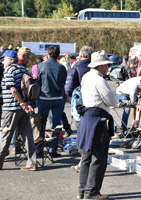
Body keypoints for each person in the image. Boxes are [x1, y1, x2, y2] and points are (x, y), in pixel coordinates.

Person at [0, 50, 37, 171]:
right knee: (27, 135)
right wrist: (25, 104)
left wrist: (21, 103)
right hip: (23, 107)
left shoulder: (9, 70)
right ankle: (32, 163)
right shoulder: (23, 69)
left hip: (11, 108)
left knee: (5, 134)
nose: (2, 62)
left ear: (10, 60)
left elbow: (13, 90)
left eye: (4, 59)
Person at [76, 50, 117, 200]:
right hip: (97, 121)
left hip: (87, 118)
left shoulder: (87, 76)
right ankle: (92, 193)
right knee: (98, 158)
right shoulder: (99, 80)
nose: (108, 68)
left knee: (86, 157)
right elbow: (112, 101)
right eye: (107, 65)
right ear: (101, 66)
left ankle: (82, 190)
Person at [37, 46, 67, 157]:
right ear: (58, 55)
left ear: (48, 54)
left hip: (44, 97)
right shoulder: (62, 67)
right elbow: (63, 82)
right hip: (58, 98)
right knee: (56, 124)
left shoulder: (41, 66)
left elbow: (38, 82)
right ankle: (52, 150)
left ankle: (39, 149)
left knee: (41, 124)